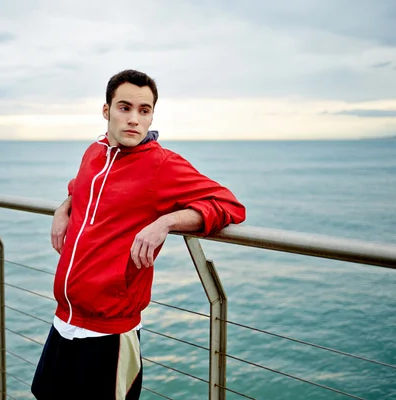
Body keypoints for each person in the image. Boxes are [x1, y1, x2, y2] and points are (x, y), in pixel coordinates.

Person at [31, 69, 246, 400]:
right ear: (106, 111)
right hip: (65, 317)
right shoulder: (95, 153)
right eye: (124, 108)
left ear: (151, 116)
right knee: (46, 394)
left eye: (143, 111)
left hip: (110, 331)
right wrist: (65, 206)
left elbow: (228, 205)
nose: (133, 119)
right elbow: (82, 187)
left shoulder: (161, 165)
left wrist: (165, 223)